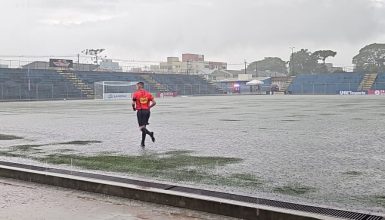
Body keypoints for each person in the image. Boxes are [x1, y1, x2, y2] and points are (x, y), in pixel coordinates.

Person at [132, 82, 156, 147]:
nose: (136, 87)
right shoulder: (148, 93)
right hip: (147, 111)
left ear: (139, 86)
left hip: (140, 111)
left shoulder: (136, 94)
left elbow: (133, 103)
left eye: (136, 86)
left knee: (141, 127)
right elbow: (154, 103)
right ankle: (142, 143)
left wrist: (134, 108)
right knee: (144, 127)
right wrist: (149, 107)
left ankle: (150, 134)